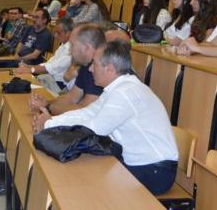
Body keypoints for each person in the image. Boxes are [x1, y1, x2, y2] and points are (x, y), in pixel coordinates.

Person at [32, 41, 179, 195]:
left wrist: (48, 124)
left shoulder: (124, 93)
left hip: (155, 171)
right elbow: (86, 113)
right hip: (140, 164)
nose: (89, 69)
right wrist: (50, 122)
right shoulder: (117, 89)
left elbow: (94, 130)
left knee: (88, 182)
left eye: (94, 64)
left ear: (109, 68)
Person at [28, 23, 107, 115]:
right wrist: (46, 104)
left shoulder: (99, 68)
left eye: (72, 45)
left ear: (86, 47)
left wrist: (47, 108)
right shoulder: (86, 66)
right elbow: (70, 97)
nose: (70, 50)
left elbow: (84, 111)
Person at [18, 17, 74, 94]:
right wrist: (29, 67)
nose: (55, 36)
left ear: (69, 33)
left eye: (58, 33)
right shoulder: (63, 45)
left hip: (59, 85)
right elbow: (50, 63)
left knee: (26, 91)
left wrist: (31, 69)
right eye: (55, 32)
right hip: (50, 78)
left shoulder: (72, 48)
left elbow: (54, 67)